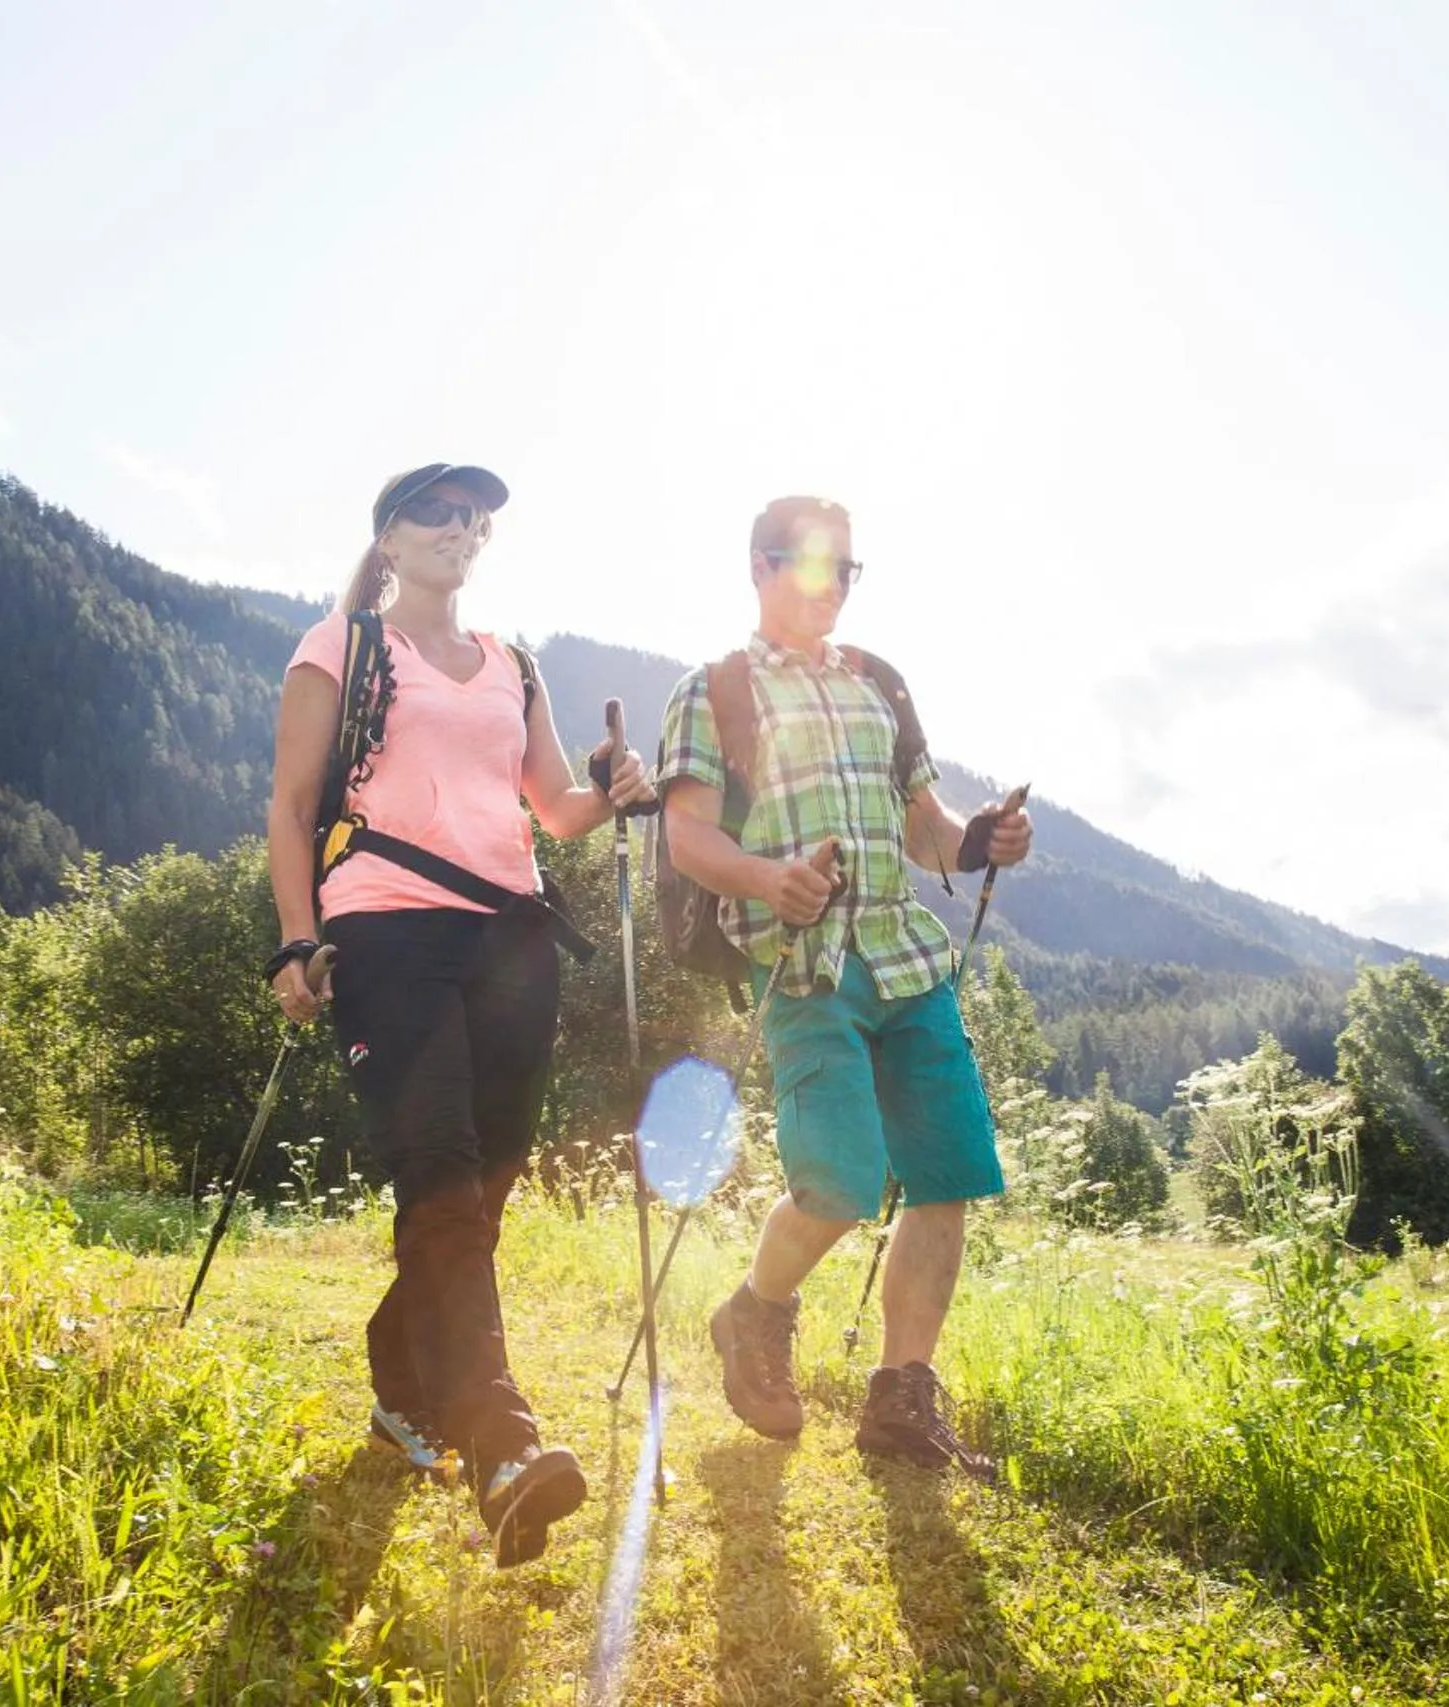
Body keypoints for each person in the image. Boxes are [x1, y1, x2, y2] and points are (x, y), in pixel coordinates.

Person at [266, 463, 656, 1566]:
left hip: (512, 938)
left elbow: (557, 813)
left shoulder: (512, 665)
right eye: (433, 511)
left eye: (473, 515)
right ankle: (500, 1444)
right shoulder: (338, 647)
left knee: (478, 1191)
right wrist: (297, 939)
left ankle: (402, 1384)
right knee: (438, 1163)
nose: (459, 527)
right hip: (385, 928)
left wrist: (611, 788)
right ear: (387, 538)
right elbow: (293, 807)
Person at [656, 494, 1032, 1477]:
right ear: (758, 567)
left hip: (908, 962)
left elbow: (925, 828)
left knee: (945, 1178)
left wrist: (978, 840)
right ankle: (753, 1313)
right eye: (810, 565)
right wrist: (766, 880)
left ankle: (902, 1400)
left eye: (846, 570)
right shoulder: (715, 692)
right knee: (839, 1183)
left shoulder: (878, 686)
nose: (830, 586)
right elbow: (687, 836)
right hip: (801, 968)